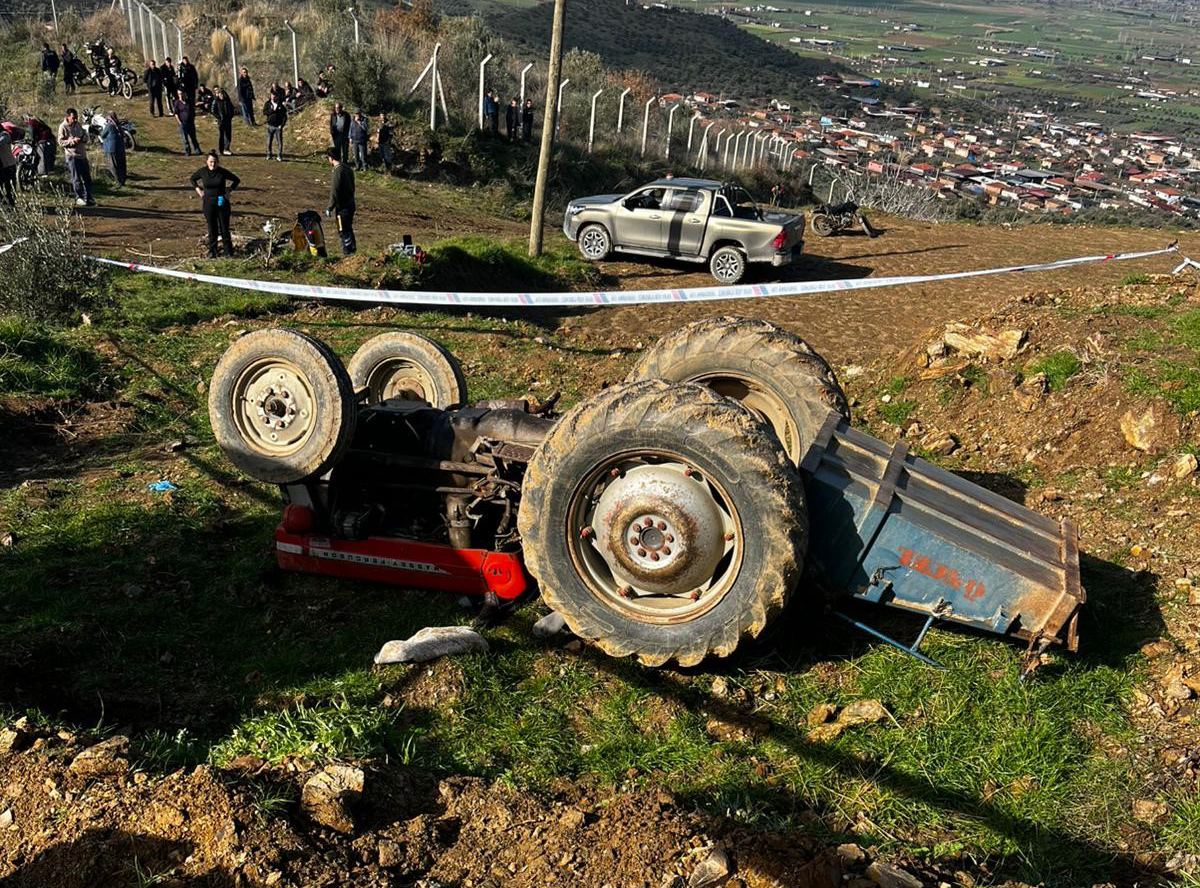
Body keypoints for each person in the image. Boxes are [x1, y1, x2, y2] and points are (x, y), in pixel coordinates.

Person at [189, 151, 240, 258]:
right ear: (207, 162)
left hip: (221, 201)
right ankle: (213, 251)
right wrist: (199, 190)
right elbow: (192, 179)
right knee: (212, 228)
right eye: (211, 162)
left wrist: (229, 190)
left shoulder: (222, 172)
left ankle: (228, 252)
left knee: (224, 228)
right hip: (208, 202)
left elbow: (236, 180)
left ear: (218, 162)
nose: (213, 164)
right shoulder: (203, 172)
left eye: (215, 162)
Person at [57, 108, 93, 206]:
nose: (75, 119)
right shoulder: (63, 127)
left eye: (76, 117)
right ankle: (79, 197)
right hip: (72, 156)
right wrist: (72, 141)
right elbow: (60, 142)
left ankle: (89, 197)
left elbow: (84, 135)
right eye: (73, 118)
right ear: (68, 117)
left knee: (87, 178)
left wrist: (84, 138)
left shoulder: (78, 125)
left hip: (82, 155)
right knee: (76, 178)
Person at [325, 146, 355, 255]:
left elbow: (335, 191)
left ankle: (348, 252)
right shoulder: (347, 168)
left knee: (343, 230)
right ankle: (353, 249)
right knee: (348, 228)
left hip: (342, 207)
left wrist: (330, 207)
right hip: (351, 203)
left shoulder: (337, 171)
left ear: (331, 158)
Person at [100, 110, 126, 186]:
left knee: (113, 166)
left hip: (111, 149)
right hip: (120, 148)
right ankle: (123, 179)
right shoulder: (118, 125)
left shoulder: (109, 125)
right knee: (121, 165)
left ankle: (119, 181)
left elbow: (102, 135)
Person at [172, 89, 201, 156]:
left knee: (193, 137)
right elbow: (176, 113)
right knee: (185, 139)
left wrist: (193, 119)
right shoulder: (177, 103)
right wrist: (180, 122)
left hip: (191, 123)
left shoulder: (189, 102)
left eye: (182, 93)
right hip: (183, 123)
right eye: (179, 94)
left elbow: (192, 111)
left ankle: (197, 150)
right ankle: (188, 151)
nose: (181, 95)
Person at [263, 93, 287, 161]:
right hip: (270, 125)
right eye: (272, 96)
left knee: (279, 142)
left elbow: (284, 117)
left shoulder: (281, 106)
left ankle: (279, 155)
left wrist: (281, 125)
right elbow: (264, 112)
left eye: (274, 97)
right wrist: (271, 110)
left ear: (277, 97)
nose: (273, 98)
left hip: (278, 127)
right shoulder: (267, 104)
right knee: (269, 141)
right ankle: (269, 154)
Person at [213, 86, 235, 155]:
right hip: (221, 120)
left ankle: (226, 148)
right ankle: (221, 150)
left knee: (228, 135)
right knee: (222, 135)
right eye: (220, 94)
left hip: (228, 120)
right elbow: (213, 110)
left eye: (222, 94)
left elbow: (232, 109)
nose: (221, 95)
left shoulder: (227, 101)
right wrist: (218, 117)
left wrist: (231, 116)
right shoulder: (216, 101)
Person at [0, 127, 16, 206]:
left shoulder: (4, 135)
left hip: (9, 166)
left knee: (9, 187)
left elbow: (1, 142)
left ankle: (11, 204)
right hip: (1, 166)